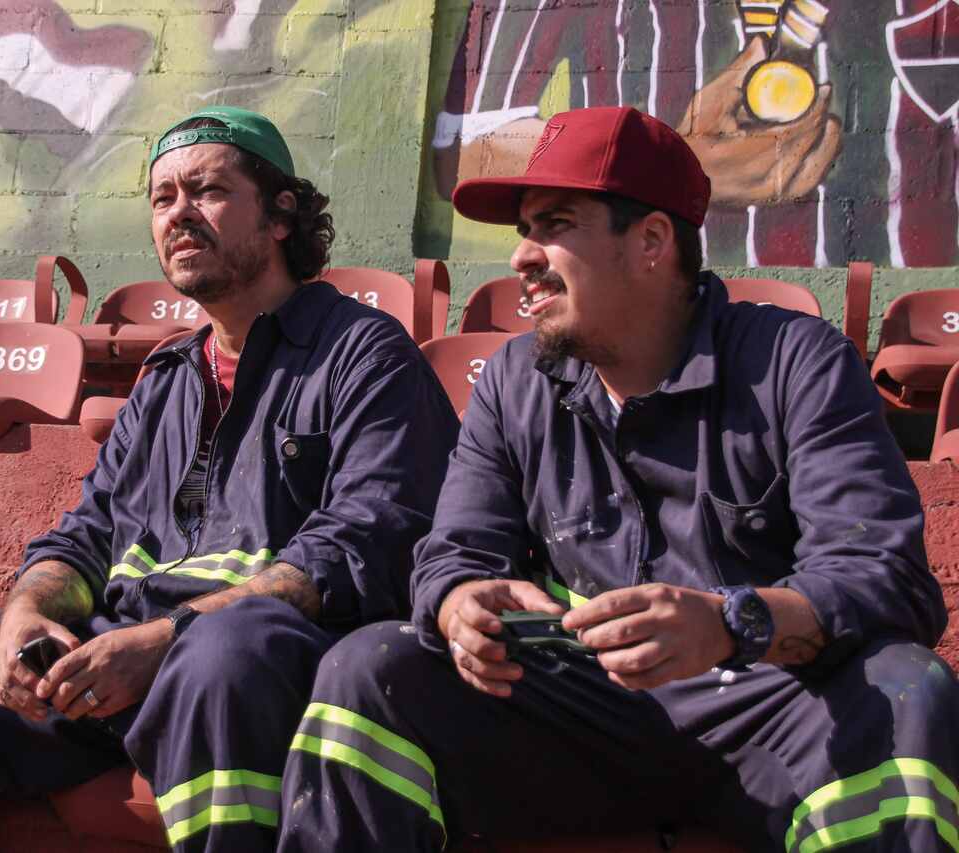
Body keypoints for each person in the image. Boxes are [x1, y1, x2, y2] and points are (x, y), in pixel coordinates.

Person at [276, 106, 957, 852]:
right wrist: (458, 602)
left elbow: (885, 575)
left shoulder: (798, 360)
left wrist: (729, 622)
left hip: (768, 703)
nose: (524, 257)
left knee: (906, 689)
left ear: (653, 242)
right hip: (579, 710)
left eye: (556, 224)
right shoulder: (514, 378)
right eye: (524, 231)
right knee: (368, 671)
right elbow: (455, 550)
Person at [0, 106, 459, 853]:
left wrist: (168, 637)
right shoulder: (166, 379)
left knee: (225, 649)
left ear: (281, 216)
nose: (178, 213)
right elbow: (86, 534)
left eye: (205, 190)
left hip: (255, 674)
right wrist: (27, 613)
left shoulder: (364, 352)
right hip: (115, 670)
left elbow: (370, 536)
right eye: (161, 197)